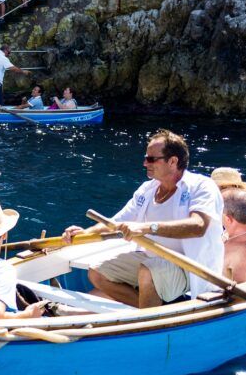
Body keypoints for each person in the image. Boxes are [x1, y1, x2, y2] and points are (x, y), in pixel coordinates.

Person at [61, 130, 224, 308]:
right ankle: (152, 311)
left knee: (148, 272)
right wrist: (84, 233)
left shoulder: (201, 186)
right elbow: (116, 222)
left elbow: (198, 226)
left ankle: (148, 322)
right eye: (146, 157)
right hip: (150, 258)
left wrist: (147, 228)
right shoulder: (147, 189)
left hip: (189, 266)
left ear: (173, 161)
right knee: (97, 272)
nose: (145, 163)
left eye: (152, 159)